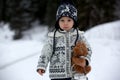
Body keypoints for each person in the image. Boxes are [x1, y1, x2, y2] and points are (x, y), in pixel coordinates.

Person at [36, 0, 92, 80]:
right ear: (58, 21)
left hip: (75, 74)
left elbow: (88, 49)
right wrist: (42, 65)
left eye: (69, 20)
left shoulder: (79, 35)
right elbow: (46, 52)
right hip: (57, 75)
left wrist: (85, 60)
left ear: (74, 21)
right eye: (62, 20)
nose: (65, 23)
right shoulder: (53, 37)